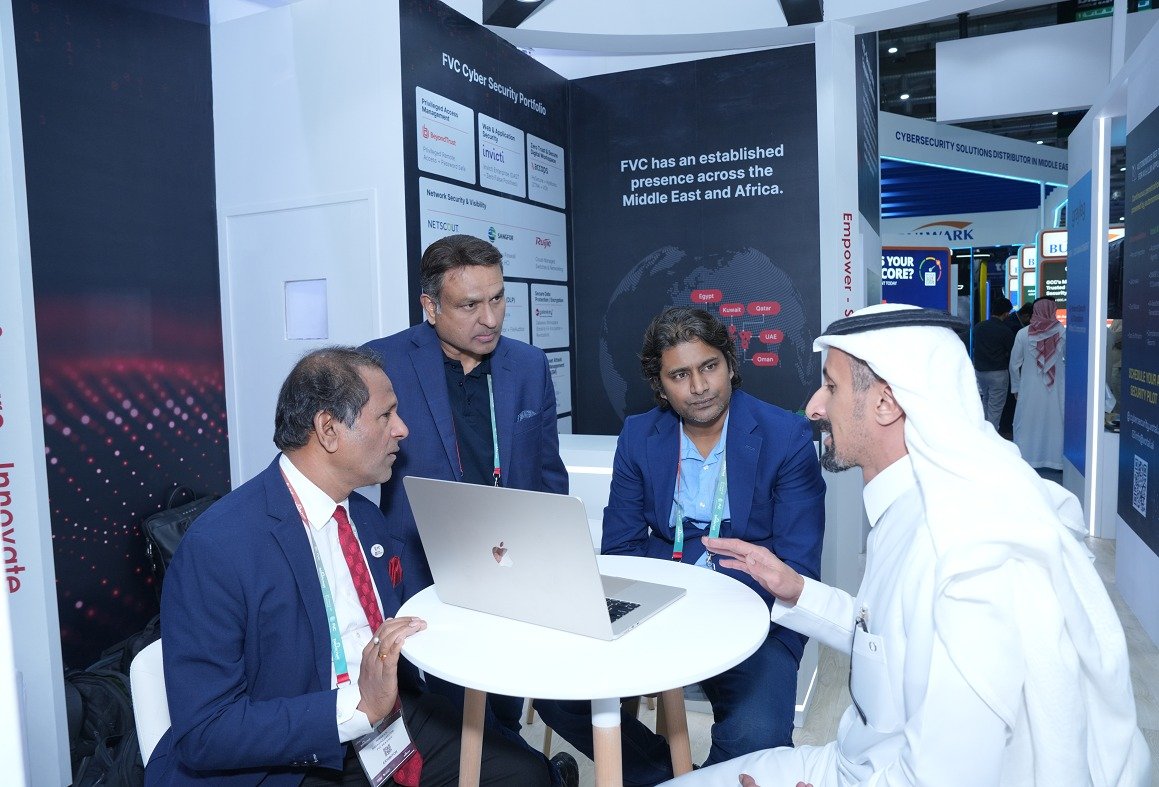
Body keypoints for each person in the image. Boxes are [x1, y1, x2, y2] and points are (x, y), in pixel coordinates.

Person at [662, 303, 1149, 787]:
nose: (813, 408)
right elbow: (890, 646)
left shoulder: (964, 556)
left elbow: (948, 777)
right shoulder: (913, 511)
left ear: (886, 404)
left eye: (831, 387)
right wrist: (796, 589)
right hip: (853, 765)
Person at [148, 347, 556, 786]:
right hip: (288, 756)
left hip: (386, 721)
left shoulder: (366, 517)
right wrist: (357, 707)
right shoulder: (218, 547)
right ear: (328, 430)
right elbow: (206, 732)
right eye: (386, 415)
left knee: (526, 774)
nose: (402, 429)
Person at [537, 307, 826, 785]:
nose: (699, 387)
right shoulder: (639, 435)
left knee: (756, 736)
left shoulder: (785, 436)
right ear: (661, 384)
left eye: (709, 366)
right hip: (658, 607)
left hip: (756, 615)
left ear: (730, 363)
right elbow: (622, 548)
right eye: (680, 375)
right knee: (557, 694)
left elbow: (797, 566)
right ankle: (674, 776)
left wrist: (711, 594)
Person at [362, 234, 568, 748]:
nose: (490, 318)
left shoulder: (528, 365)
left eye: (497, 298)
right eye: (470, 305)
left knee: (506, 697)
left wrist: (558, 560)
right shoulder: (382, 364)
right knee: (448, 707)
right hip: (422, 567)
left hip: (511, 565)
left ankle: (515, 768)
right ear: (430, 306)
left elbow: (547, 472)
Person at [1009, 296, 1065, 470]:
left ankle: (1027, 457)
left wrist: (1016, 387)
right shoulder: (1063, 332)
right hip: (1056, 388)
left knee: (1028, 420)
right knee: (1055, 420)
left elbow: (1014, 363)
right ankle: (1055, 460)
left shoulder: (1023, 333)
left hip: (1029, 388)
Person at [970, 295, 1016, 430]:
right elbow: (1012, 351)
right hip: (998, 373)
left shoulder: (978, 327)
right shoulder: (1005, 330)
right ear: (1006, 313)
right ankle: (992, 434)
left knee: (985, 400)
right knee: (995, 407)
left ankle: (982, 430)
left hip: (980, 371)